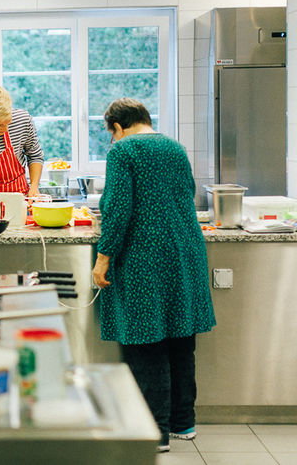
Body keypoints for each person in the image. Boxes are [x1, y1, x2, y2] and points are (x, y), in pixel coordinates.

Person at [91, 98, 216, 453]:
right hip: (185, 250)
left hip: (145, 254)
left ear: (117, 126)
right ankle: (183, 423)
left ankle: (154, 432)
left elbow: (117, 208)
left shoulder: (124, 152)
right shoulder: (175, 148)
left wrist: (103, 259)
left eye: (110, 133)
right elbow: (187, 193)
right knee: (180, 336)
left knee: (146, 341)